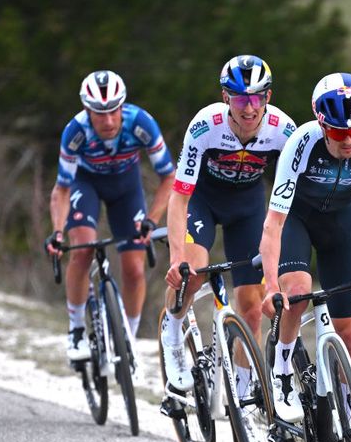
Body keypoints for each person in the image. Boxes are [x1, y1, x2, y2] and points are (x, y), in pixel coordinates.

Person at [259, 72, 351, 423]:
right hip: (297, 220)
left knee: (349, 330)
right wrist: (269, 284)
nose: (350, 140)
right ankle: (281, 372)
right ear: (322, 125)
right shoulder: (302, 142)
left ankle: (350, 411)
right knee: (298, 292)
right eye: (339, 133)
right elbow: (274, 222)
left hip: (341, 223)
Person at [160, 54, 296, 395]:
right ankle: (172, 333)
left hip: (248, 209)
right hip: (203, 202)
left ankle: (242, 391)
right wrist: (176, 258)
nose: (248, 109)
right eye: (239, 98)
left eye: (256, 98)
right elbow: (179, 196)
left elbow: (296, 196)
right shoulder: (205, 125)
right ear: (225, 98)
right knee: (193, 272)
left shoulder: (284, 130)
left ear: (268, 97)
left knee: (251, 307)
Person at [46, 70, 175, 361]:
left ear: (122, 106)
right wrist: (57, 232)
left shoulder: (141, 123)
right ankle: (77, 329)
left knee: (134, 268)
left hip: (125, 187)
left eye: (113, 111)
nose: (107, 120)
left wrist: (152, 219)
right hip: (85, 183)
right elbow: (62, 190)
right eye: (98, 113)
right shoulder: (75, 132)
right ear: (86, 110)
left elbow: (169, 177)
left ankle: (127, 336)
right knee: (82, 250)